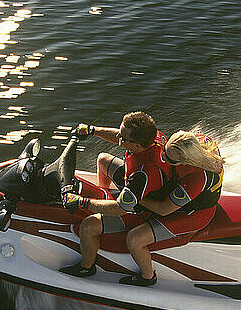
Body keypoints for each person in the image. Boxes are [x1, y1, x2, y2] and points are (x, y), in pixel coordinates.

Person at [59, 112, 171, 280]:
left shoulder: (145, 174)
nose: (119, 139)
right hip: (133, 186)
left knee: (88, 226)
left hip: (141, 209)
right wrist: (93, 130)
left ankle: (86, 268)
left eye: (123, 138)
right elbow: (120, 137)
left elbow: (120, 209)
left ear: (137, 146)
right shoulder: (151, 137)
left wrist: (82, 202)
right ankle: (104, 199)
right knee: (103, 159)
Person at [119, 130, 225, 286]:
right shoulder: (199, 141)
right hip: (193, 194)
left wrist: (136, 198)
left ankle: (148, 277)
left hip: (194, 215)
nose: (163, 158)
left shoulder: (197, 178)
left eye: (169, 159)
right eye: (164, 152)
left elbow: (163, 209)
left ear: (185, 161)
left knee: (134, 239)